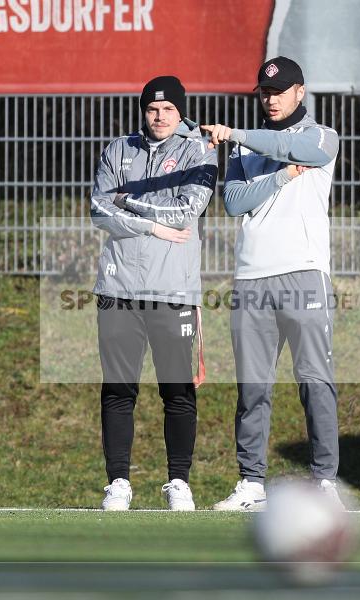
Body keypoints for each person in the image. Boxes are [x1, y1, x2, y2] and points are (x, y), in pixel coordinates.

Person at [201, 57, 342, 511]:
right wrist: (280, 176)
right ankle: (251, 483)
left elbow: (304, 153)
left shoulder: (322, 136)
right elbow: (234, 201)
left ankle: (323, 481)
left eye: (280, 90)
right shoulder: (246, 150)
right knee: (253, 387)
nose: (271, 98)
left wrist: (236, 133)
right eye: (265, 91)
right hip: (251, 277)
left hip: (303, 271)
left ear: (300, 92)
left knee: (314, 380)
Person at [90, 76, 217, 511]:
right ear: (143, 111)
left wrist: (131, 201)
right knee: (118, 389)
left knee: (177, 391)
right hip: (118, 287)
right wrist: (150, 224)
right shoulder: (117, 149)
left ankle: (178, 482)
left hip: (173, 290)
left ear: (180, 111)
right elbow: (99, 209)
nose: (159, 117)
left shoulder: (198, 148)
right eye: (151, 109)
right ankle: (118, 482)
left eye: (167, 109)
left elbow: (187, 210)